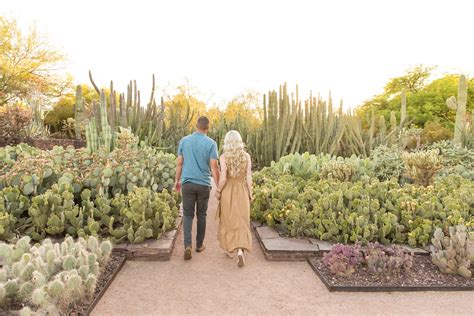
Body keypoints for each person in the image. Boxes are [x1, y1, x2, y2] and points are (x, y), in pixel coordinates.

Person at [175, 116, 220, 260]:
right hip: (203, 185)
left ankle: (188, 245)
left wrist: (177, 180)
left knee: (188, 215)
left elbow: (180, 163)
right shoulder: (211, 143)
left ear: (196, 125)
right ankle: (199, 245)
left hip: (187, 184)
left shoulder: (184, 140)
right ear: (208, 127)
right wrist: (219, 186)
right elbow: (214, 167)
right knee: (202, 215)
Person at [215, 130, 253, 267]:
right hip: (242, 189)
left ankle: (230, 249)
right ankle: (240, 250)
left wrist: (218, 191)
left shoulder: (224, 157)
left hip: (228, 191)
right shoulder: (246, 156)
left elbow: (223, 177)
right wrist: (251, 193)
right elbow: (249, 176)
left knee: (228, 220)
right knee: (242, 220)